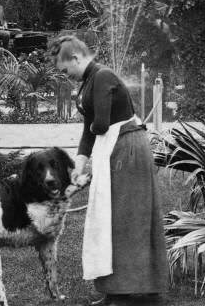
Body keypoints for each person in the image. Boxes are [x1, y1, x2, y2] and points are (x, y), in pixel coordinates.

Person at [49, 35, 169, 306]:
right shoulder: (89, 82)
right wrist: (77, 166)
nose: (66, 76)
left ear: (76, 58)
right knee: (112, 218)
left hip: (128, 149)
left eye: (65, 70)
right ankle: (117, 289)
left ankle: (133, 290)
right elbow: (89, 131)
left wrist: (93, 133)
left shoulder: (102, 77)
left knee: (127, 219)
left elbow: (100, 124)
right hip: (115, 148)